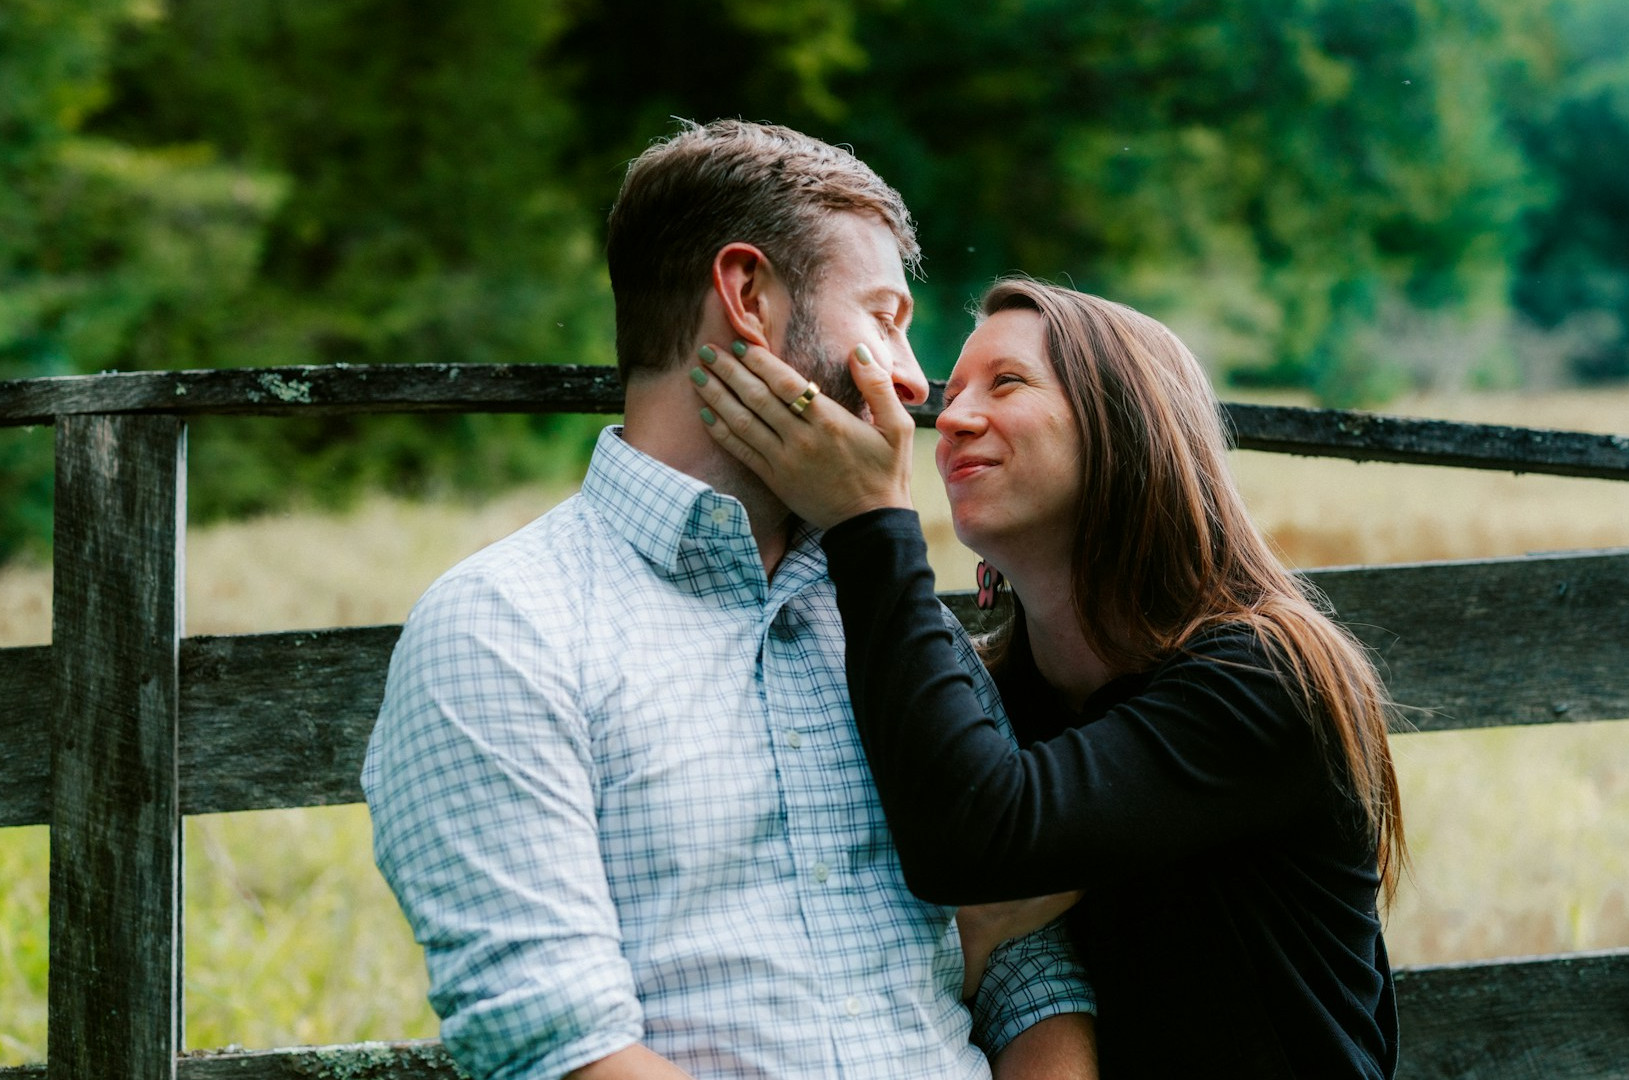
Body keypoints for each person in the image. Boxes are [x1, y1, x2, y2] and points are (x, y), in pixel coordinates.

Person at [360, 123, 1097, 1080]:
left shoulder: (883, 617)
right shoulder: (505, 627)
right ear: (747, 295)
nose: (914, 381)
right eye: (883, 318)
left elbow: (1028, 967)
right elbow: (562, 1050)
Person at [688, 277, 1407, 1077]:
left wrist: (868, 521)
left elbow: (977, 842)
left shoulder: (1267, 679)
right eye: (952, 393)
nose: (951, 418)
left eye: (1008, 383)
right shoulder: (994, 696)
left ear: (1124, 429)